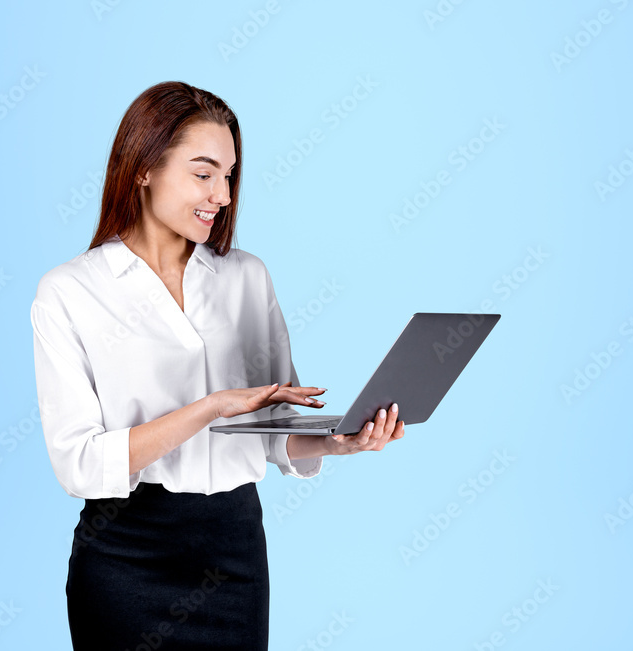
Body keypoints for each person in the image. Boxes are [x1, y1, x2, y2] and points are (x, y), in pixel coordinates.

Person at [30, 80, 405, 650]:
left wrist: (339, 442)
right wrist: (208, 408)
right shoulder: (70, 292)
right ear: (143, 168)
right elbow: (79, 464)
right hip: (126, 554)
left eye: (229, 176)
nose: (223, 195)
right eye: (204, 174)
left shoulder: (246, 277)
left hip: (234, 552)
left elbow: (273, 435)